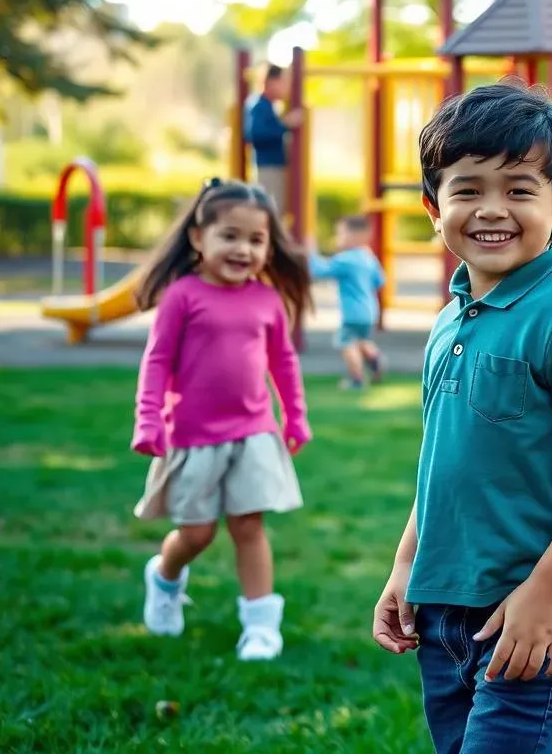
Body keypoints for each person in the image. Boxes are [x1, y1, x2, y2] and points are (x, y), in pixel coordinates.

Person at [371, 81, 552, 753]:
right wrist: (407, 562)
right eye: (467, 190)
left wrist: (550, 588)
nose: (491, 209)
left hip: (534, 608)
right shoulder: (448, 321)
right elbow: (442, 460)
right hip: (445, 608)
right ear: (432, 209)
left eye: (520, 190)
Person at [130, 178, 313, 661]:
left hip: (254, 432)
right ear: (198, 237)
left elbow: (283, 363)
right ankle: (165, 577)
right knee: (197, 533)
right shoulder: (183, 297)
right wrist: (148, 421)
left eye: (256, 240)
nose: (243, 249)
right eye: (229, 236)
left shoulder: (267, 300)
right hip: (192, 437)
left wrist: (295, 415)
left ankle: (260, 628)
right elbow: (156, 362)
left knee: (249, 527)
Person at [309, 215, 386, 390]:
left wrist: (310, 252)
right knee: (361, 339)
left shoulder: (346, 259)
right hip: (370, 311)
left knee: (345, 342)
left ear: (356, 237)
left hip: (352, 312)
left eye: (341, 234)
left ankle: (356, 379)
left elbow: (319, 270)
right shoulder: (369, 257)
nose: (338, 238)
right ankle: (374, 358)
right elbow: (380, 281)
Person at [244, 63, 301, 219]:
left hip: (273, 164)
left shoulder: (267, 105)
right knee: (270, 210)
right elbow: (254, 134)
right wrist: (284, 126)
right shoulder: (259, 105)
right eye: (282, 82)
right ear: (270, 82)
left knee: (275, 209)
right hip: (268, 165)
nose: (286, 87)